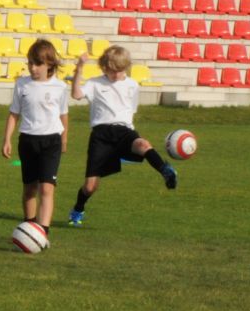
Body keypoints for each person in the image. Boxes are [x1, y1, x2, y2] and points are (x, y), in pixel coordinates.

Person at [68, 45, 176, 226]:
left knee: (143, 144)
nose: (116, 74)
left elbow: (129, 111)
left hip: (124, 131)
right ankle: (78, 209)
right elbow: (76, 94)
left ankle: (166, 171)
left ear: (125, 67)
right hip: (101, 135)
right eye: (112, 70)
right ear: (104, 67)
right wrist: (79, 69)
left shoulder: (132, 85)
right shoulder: (95, 83)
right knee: (90, 187)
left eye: (119, 70)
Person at [1, 39, 69, 237]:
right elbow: (14, 114)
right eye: (30, 63)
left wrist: (64, 139)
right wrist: (7, 139)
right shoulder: (22, 84)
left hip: (51, 141)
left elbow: (63, 115)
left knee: (47, 188)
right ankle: (29, 227)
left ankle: (43, 232)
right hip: (28, 141)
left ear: (49, 64)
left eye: (38, 64)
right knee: (30, 189)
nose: (33, 68)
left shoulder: (60, 87)